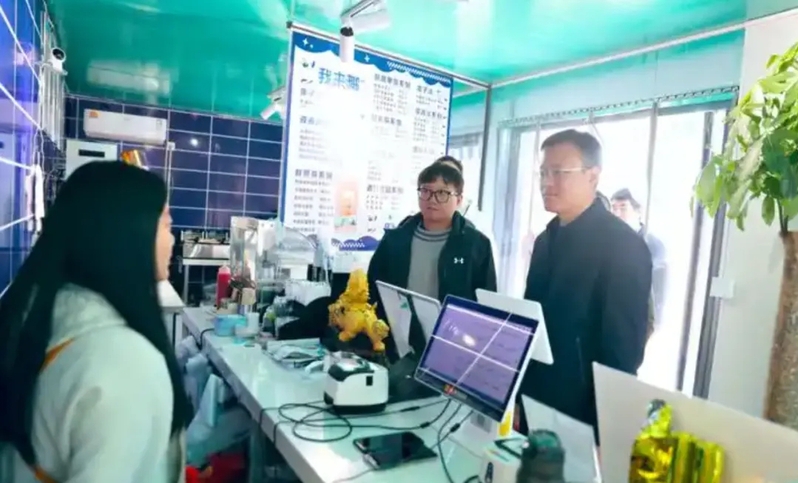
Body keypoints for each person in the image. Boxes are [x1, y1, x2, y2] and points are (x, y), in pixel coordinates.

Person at [0, 162, 189, 482]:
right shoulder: (125, 364)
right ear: (131, 233)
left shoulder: (37, 316)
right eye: (167, 225)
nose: (172, 241)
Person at [521, 129, 652, 437]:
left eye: (558, 172)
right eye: (543, 172)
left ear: (593, 176)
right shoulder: (545, 241)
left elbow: (623, 353)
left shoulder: (623, 246)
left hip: (582, 411)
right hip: (535, 398)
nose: (546, 182)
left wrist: (606, 428)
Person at [368, 163, 497, 348]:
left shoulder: (475, 245)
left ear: (459, 200)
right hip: (396, 341)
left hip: (454, 343)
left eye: (442, 193)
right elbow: (373, 288)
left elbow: (486, 302)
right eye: (426, 191)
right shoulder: (395, 240)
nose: (432, 199)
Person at [610, 188, 668, 331]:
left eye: (623, 208)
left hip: (637, 321)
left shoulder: (652, 245)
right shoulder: (610, 241)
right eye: (614, 208)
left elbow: (657, 291)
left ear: (638, 211)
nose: (617, 214)